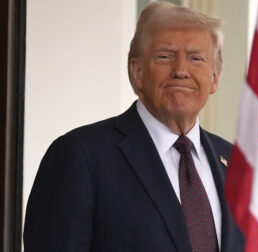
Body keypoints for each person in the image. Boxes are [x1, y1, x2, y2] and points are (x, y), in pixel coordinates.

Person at [23, 2, 244, 252]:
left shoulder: (237, 165)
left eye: (195, 58)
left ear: (215, 77)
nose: (181, 70)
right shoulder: (81, 155)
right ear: (136, 71)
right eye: (165, 56)